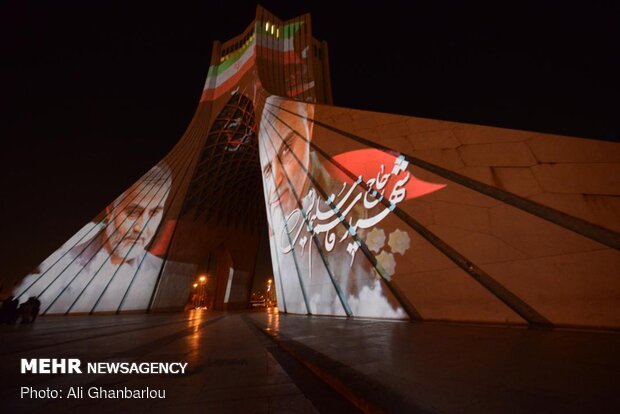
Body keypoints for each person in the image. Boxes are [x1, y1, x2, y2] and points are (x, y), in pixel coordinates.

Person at [259, 96, 405, 319]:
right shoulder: (278, 221)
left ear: (310, 121)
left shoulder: (351, 206)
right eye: (267, 170)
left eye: (287, 148)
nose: (277, 179)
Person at [12, 164, 171, 314]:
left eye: (154, 213)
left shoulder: (162, 276)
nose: (141, 227)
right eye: (133, 212)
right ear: (110, 210)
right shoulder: (62, 257)